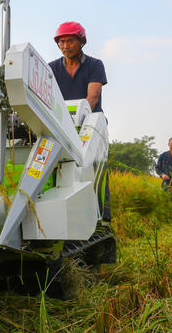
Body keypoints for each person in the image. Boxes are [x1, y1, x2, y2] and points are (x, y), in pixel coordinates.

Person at [48, 21, 110, 221]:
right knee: (62, 171)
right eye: (62, 41)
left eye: (70, 41)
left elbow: (92, 97)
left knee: (94, 169)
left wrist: (76, 124)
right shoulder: (52, 69)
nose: (65, 46)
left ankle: (102, 218)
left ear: (81, 41)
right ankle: (69, 217)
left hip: (91, 125)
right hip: (61, 126)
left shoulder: (95, 65)